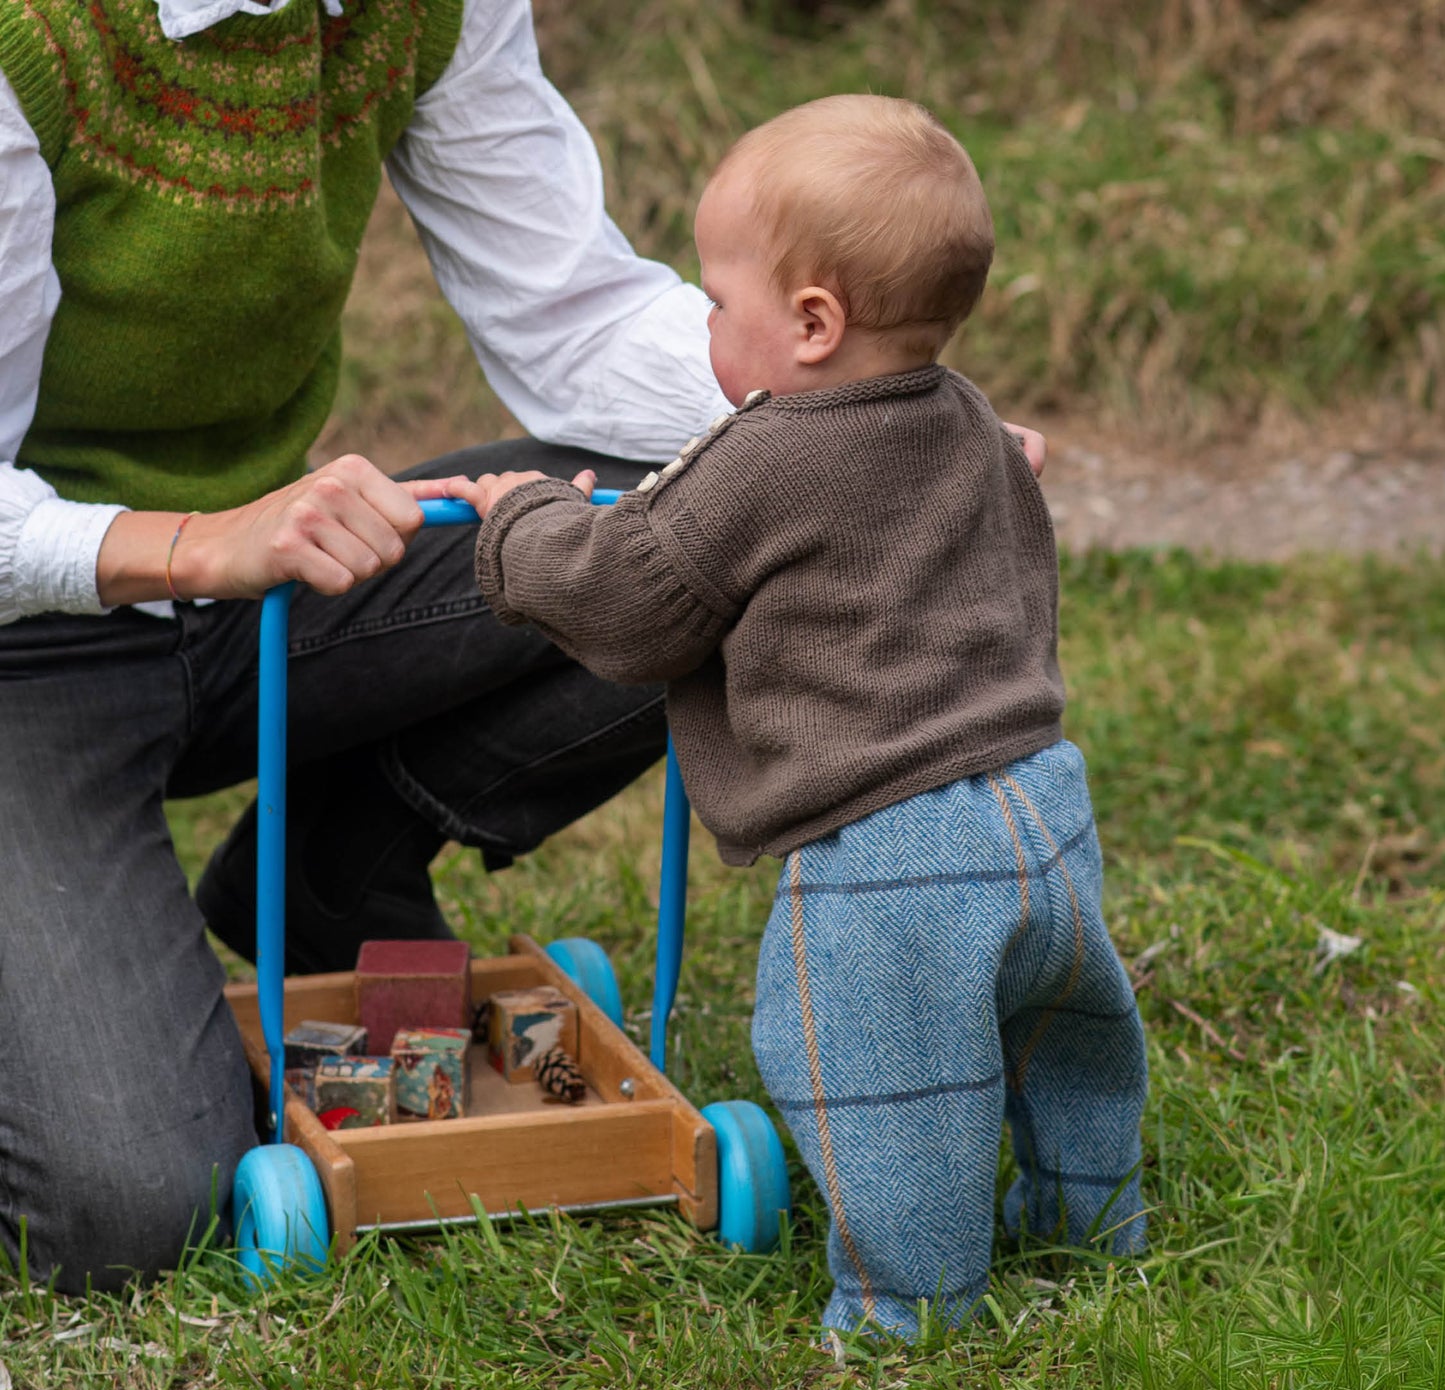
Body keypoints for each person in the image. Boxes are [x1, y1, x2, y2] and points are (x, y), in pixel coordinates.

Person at [0, 2, 1044, 1294]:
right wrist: (190, 542)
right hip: (33, 639)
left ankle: (335, 874)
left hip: (258, 588)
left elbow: (572, 315)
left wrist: (875, 433)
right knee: (123, 1208)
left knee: (720, 524)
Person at [428, 94, 1147, 1336]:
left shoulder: (758, 458)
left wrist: (523, 517)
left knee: (882, 1085)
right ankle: (1089, 1217)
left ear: (812, 323)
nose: (703, 326)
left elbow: (623, 597)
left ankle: (906, 1309)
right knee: (1067, 1030)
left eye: (715, 301)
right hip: (1039, 797)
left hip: (889, 848)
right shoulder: (968, 417)